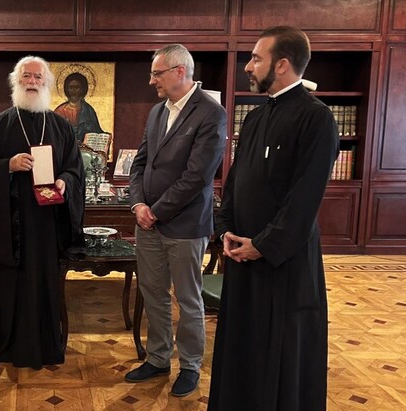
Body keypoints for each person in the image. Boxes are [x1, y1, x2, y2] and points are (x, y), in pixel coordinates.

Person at [208, 26, 339, 410]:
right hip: (241, 256)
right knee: (242, 346)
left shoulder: (316, 118)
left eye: (255, 58)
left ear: (282, 65)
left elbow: (304, 198)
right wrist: (225, 228)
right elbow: (234, 182)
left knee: (280, 353)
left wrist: (263, 246)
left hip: (284, 263)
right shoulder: (254, 117)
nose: (248, 66)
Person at [0, 56, 85, 369]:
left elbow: (75, 168)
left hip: (48, 223)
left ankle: (48, 347)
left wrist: (65, 180)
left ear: (47, 83)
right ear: (16, 81)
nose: (32, 81)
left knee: (46, 284)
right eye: (26, 76)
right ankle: (11, 347)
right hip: (14, 225)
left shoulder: (61, 125)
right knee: (15, 285)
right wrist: (7, 165)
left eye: (38, 77)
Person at [126, 44, 226, 397]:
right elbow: (140, 163)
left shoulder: (210, 113)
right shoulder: (156, 112)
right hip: (147, 223)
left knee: (187, 299)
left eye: (157, 73)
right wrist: (138, 204)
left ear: (180, 71)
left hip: (184, 226)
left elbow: (198, 175)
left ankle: (190, 365)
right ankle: (157, 358)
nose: (151, 80)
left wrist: (157, 210)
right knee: (152, 293)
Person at [54, 71, 104, 142]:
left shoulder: (88, 110)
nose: (74, 91)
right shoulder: (60, 111)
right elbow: (54, 133)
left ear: (82, 89)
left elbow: (96, 131)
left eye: (77, 87)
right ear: (66, 89)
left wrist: (104, 137)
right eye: (71, 87)